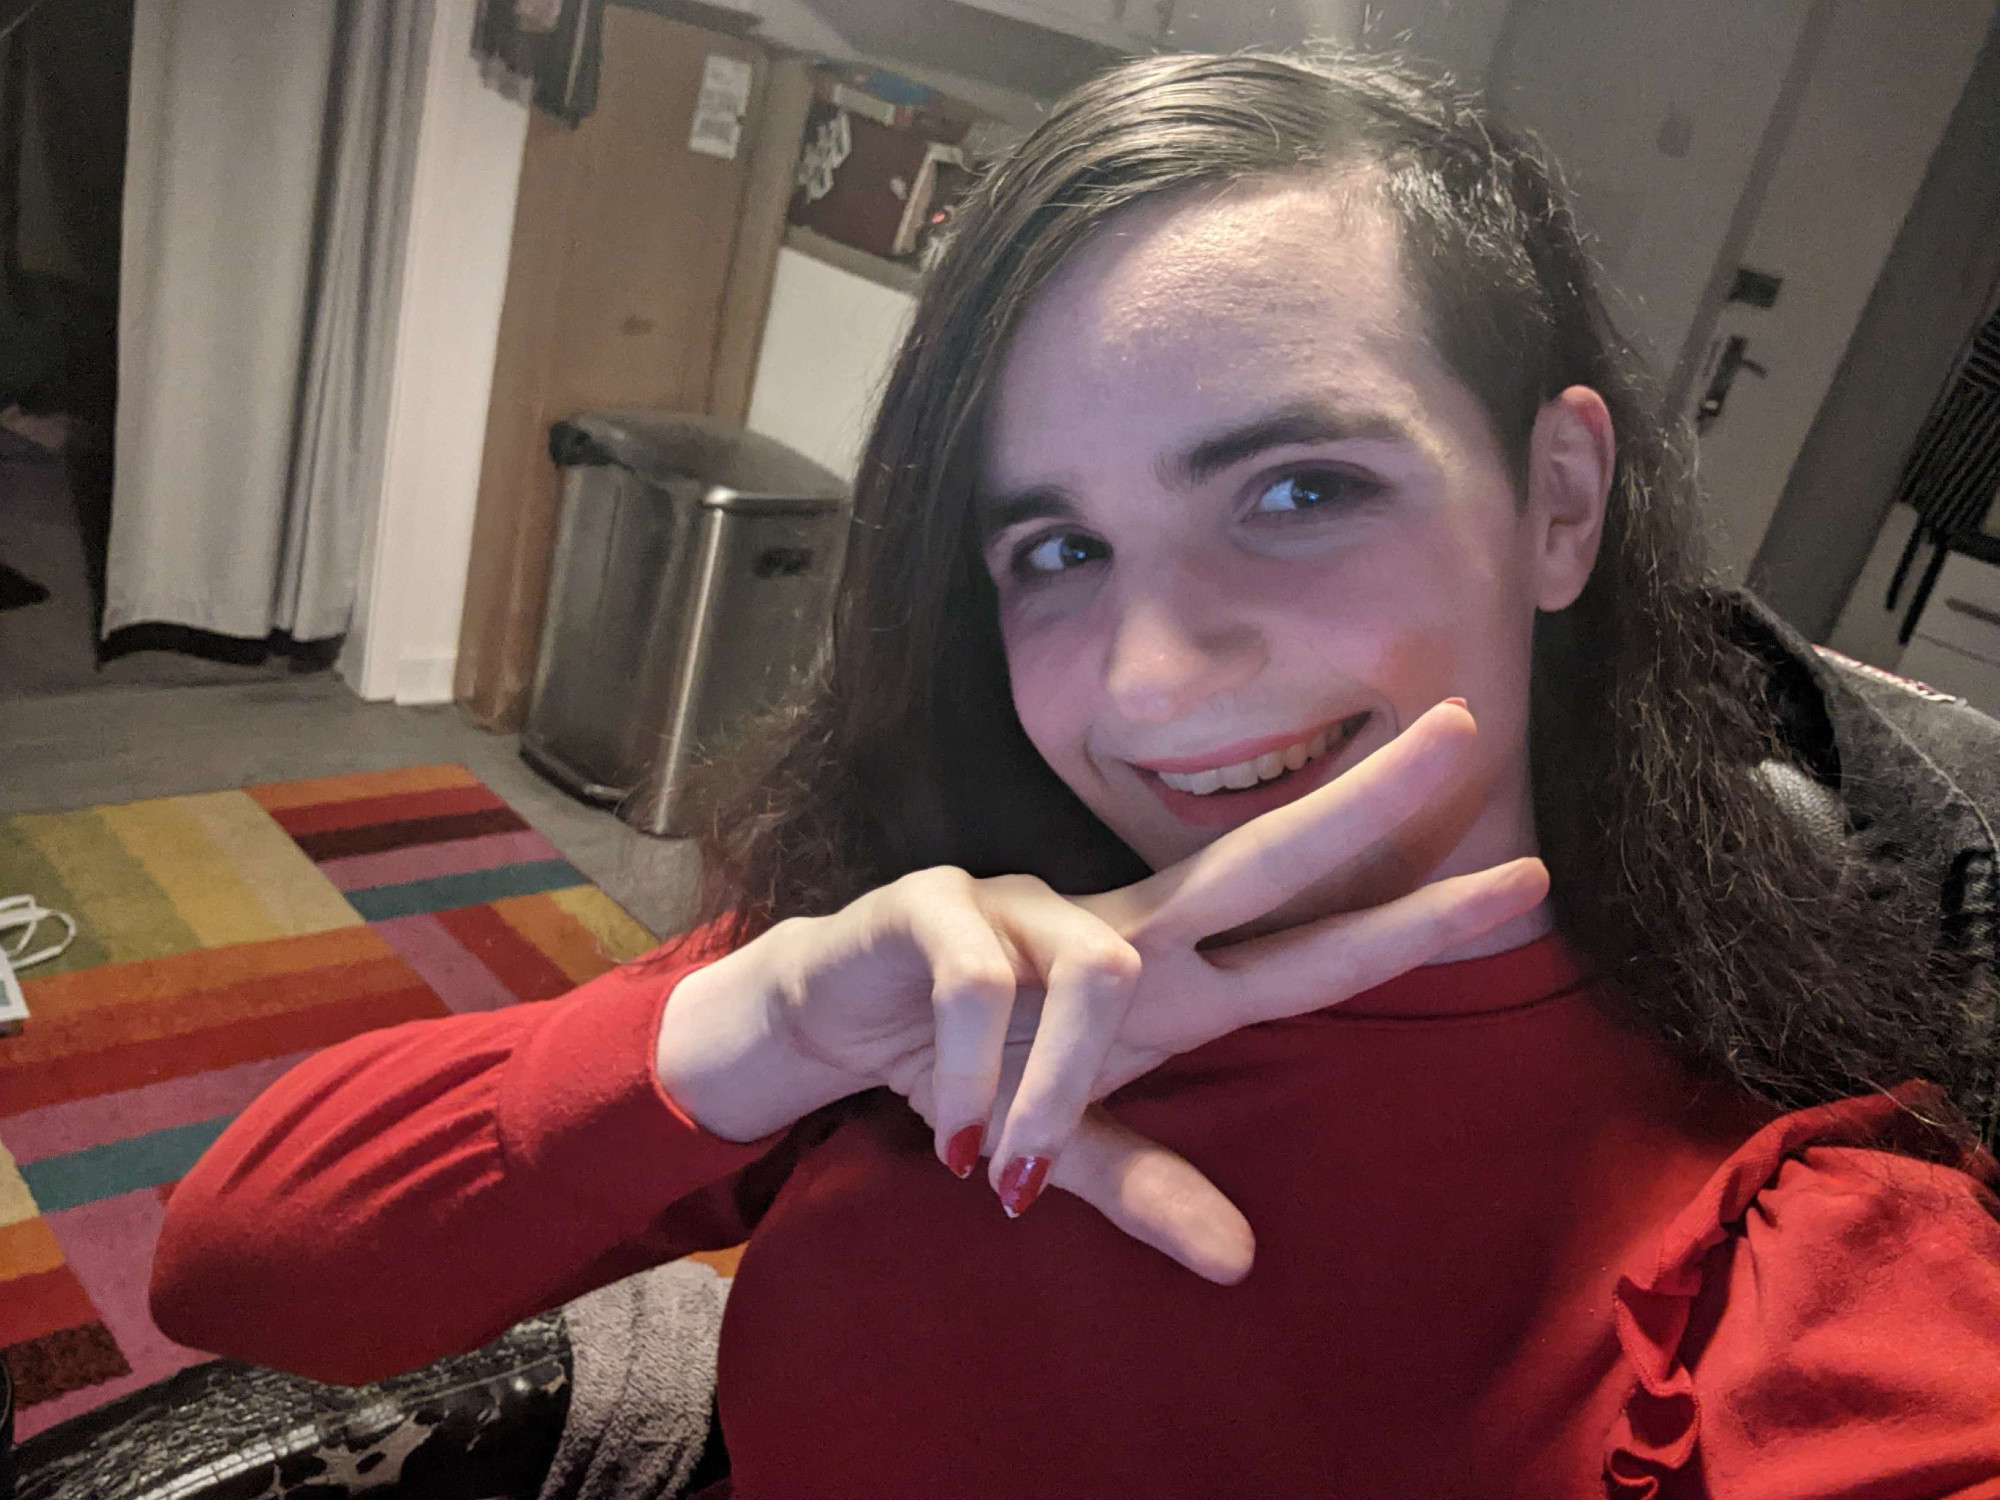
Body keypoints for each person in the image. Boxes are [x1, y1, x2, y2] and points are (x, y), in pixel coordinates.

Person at [148, 50, 2000, 1498]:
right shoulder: (968, 948)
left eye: (1297, 492)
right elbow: (237, 1272)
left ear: (1560, 503)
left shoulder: (1806, 1260)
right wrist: (761, 1027)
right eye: (1056, 550)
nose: (1148, 677)